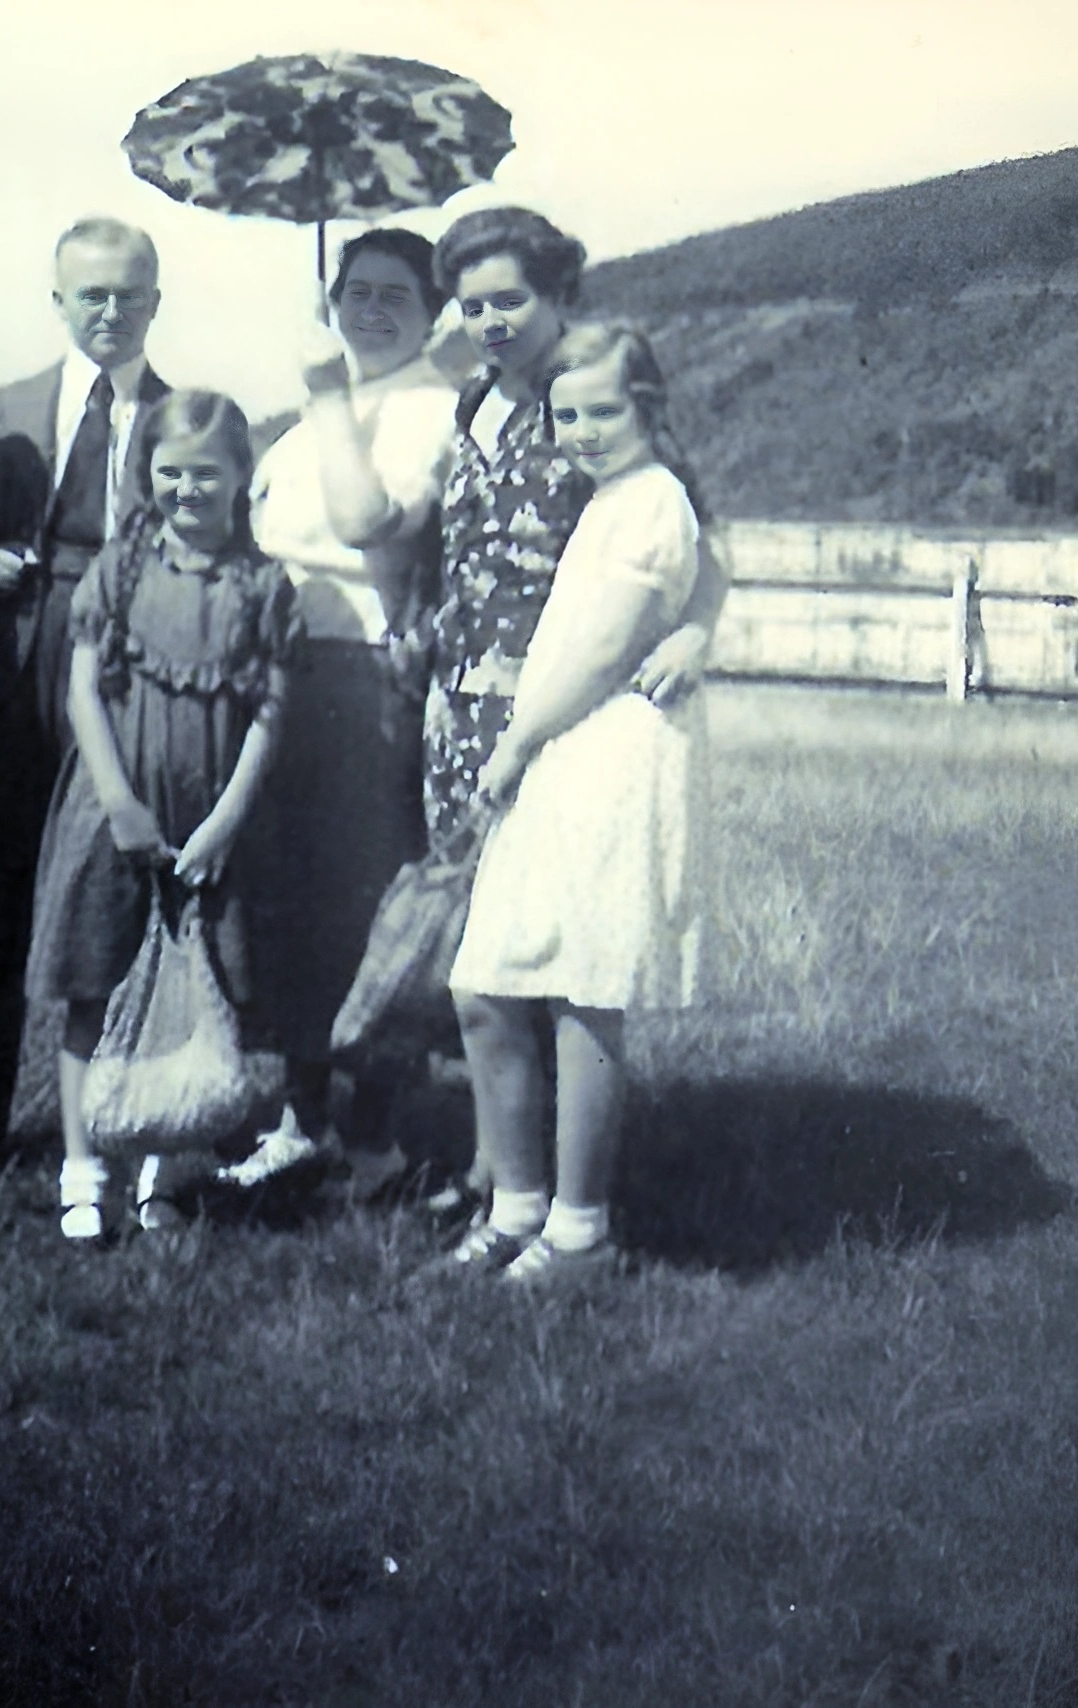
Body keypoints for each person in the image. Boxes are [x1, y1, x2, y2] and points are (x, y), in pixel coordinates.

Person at [419, 207, 728, 1235]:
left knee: (563, 965)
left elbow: (692, 544)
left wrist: (699, 631)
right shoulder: (469, 406)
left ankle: (565, 1211)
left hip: (565, 721)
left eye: (510, 297)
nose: (491, 320)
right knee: (486, 965)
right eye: (470, 304)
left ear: (559, 297)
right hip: (468, 707)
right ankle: (499, 1183)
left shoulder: (593, 396)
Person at [26, 390, 299, 1239]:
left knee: (200, 988)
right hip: (116, 812)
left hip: (210, 821)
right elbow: (81, 687)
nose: (187, 488)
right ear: (147, 475)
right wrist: (117, 801)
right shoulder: (120, 567)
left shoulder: (263, 584)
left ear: (242, 478)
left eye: (206, 472)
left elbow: (269, 716)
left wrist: (225, 823)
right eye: (170, 471)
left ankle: (164, 1169)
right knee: (93, 985)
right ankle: (83, 1168)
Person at [0, 217, 171, 1171]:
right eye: (91, 294)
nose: (110, 311)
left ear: (157, 299)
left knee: (120, 898)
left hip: (127, 678)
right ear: (58, 299)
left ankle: (120, 1123)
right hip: (17, 676)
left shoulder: (184, 416)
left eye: (129, 292)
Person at [236, 228, 459, 1197]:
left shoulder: (432, 412)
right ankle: (301, 1115)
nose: (368, 311)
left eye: (394, 296)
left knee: (364, 907)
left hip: (364, 672)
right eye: (353, 290)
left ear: (432, 313)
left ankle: (374, 1137)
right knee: (287, 905)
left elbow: (368, 522)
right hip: (282, 668)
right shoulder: (297, 425)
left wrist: (328, 394)